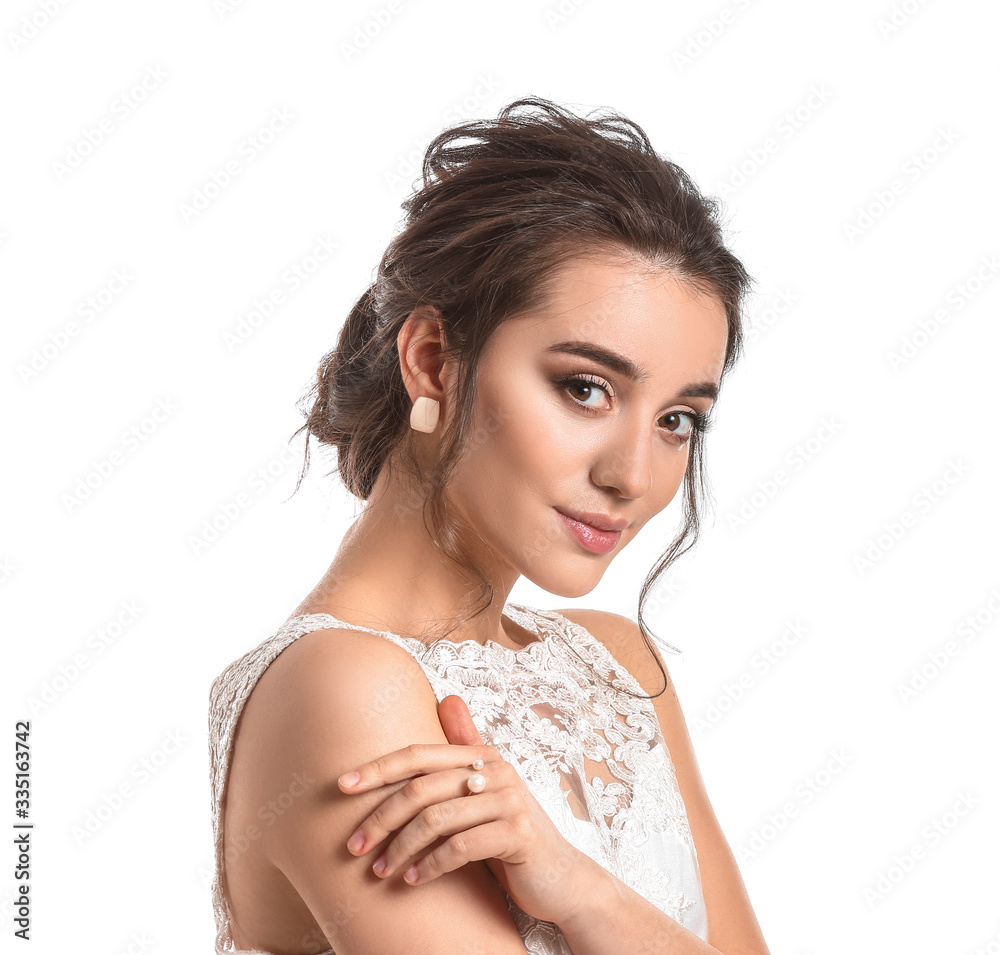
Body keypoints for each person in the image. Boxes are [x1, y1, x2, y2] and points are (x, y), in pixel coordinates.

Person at [208, 95, 771, 954]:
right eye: (586, 387)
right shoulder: (340, 687)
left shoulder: (619, 664)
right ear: (433, 361)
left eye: (677, 420)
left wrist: (583, 893)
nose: (633, 475)